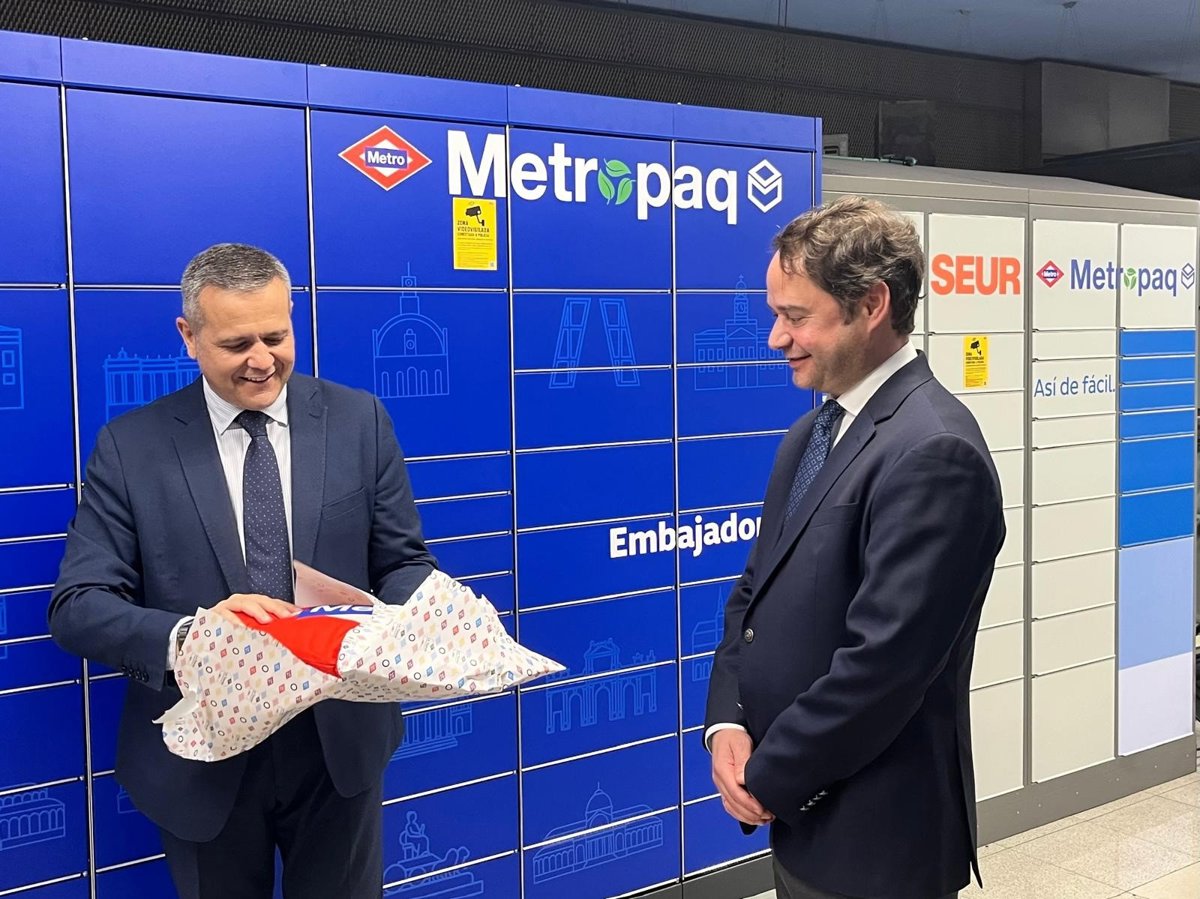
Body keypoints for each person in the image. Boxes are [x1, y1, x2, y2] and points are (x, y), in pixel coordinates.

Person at [49, 243, 437, 899]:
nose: (262, 360)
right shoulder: (131, 446)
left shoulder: (359, 420)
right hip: (204, 759)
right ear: (189, 336)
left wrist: (409, 621)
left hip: (337, 748)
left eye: (276, 337)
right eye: (236, 344)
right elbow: (78, 605)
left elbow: (404, 563)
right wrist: (193, 637)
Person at [704, 196, 1005, 899]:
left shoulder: (935, 452)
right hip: (803, 823)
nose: (775, 337)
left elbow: (884, 668)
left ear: (871, 305)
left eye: (796, 316)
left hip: (878, 843)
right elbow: (753, 594)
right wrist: (727, 723)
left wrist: (768, 777)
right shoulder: (810, 435)